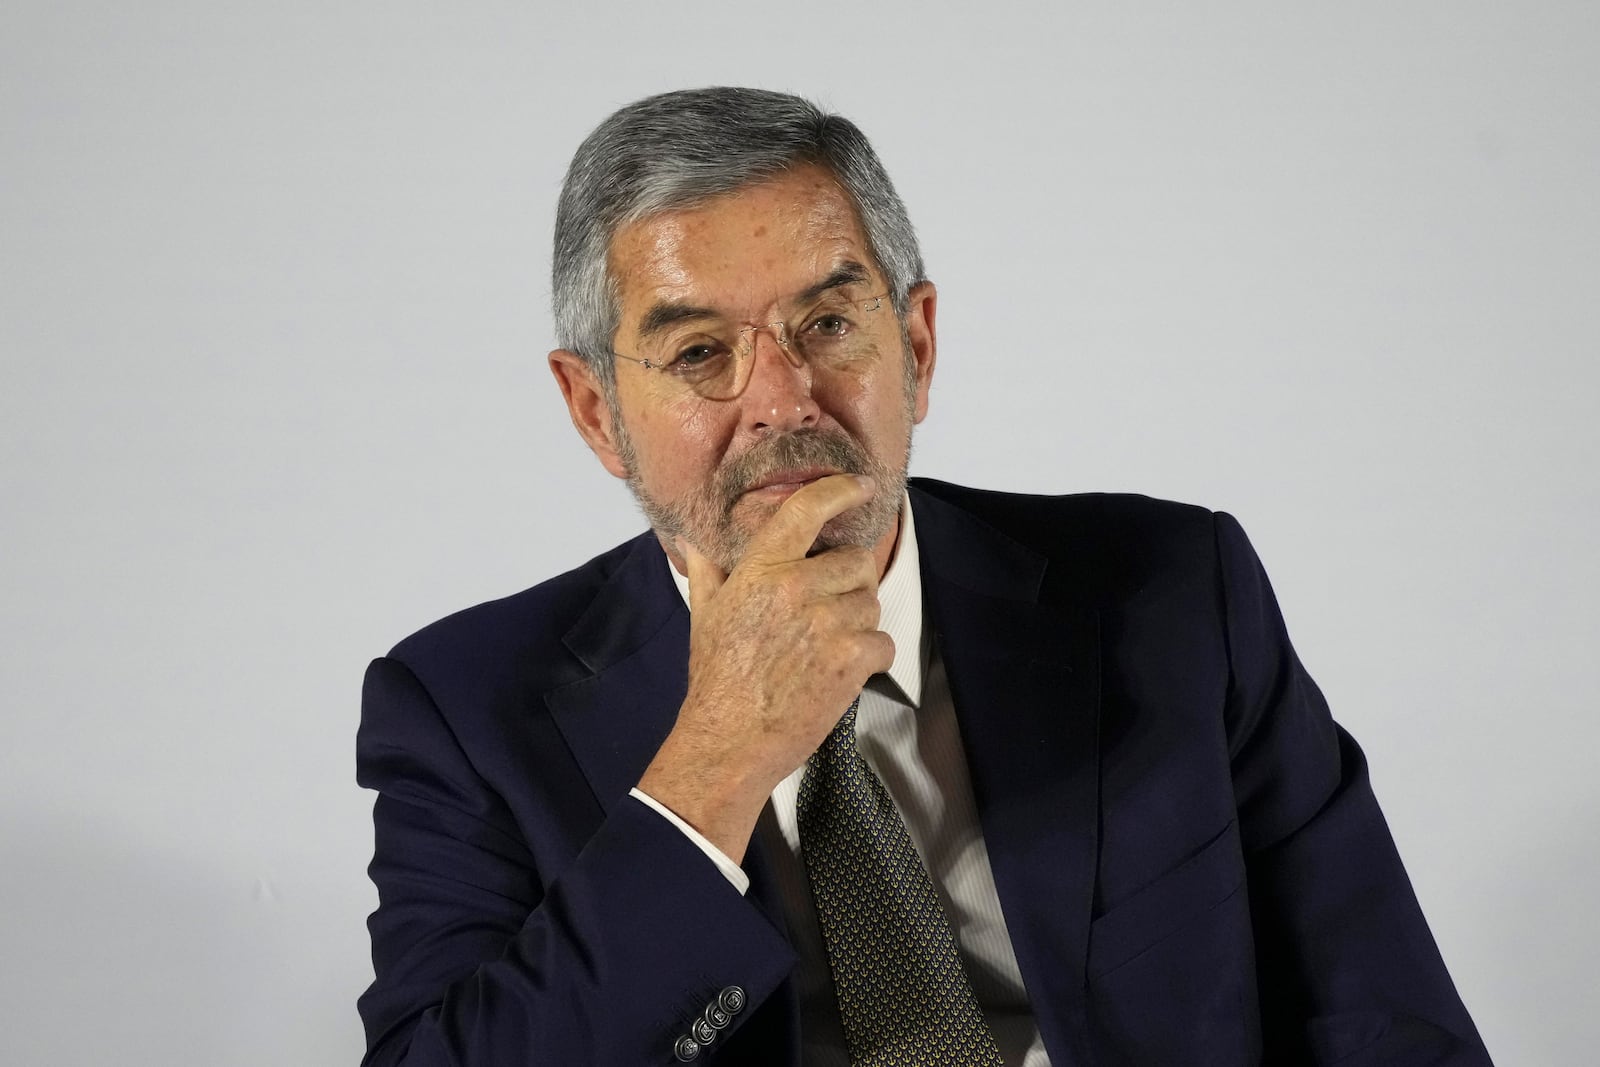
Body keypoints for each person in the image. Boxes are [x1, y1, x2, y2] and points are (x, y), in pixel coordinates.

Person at [356, 87, 1492, 1066]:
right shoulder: (465, 708)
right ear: (597, 410)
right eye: (701, 352)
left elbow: (1386, 1022)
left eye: (829, 321)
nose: (785, 401)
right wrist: (713, 763)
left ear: (918, 346)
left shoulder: (1173, 593)